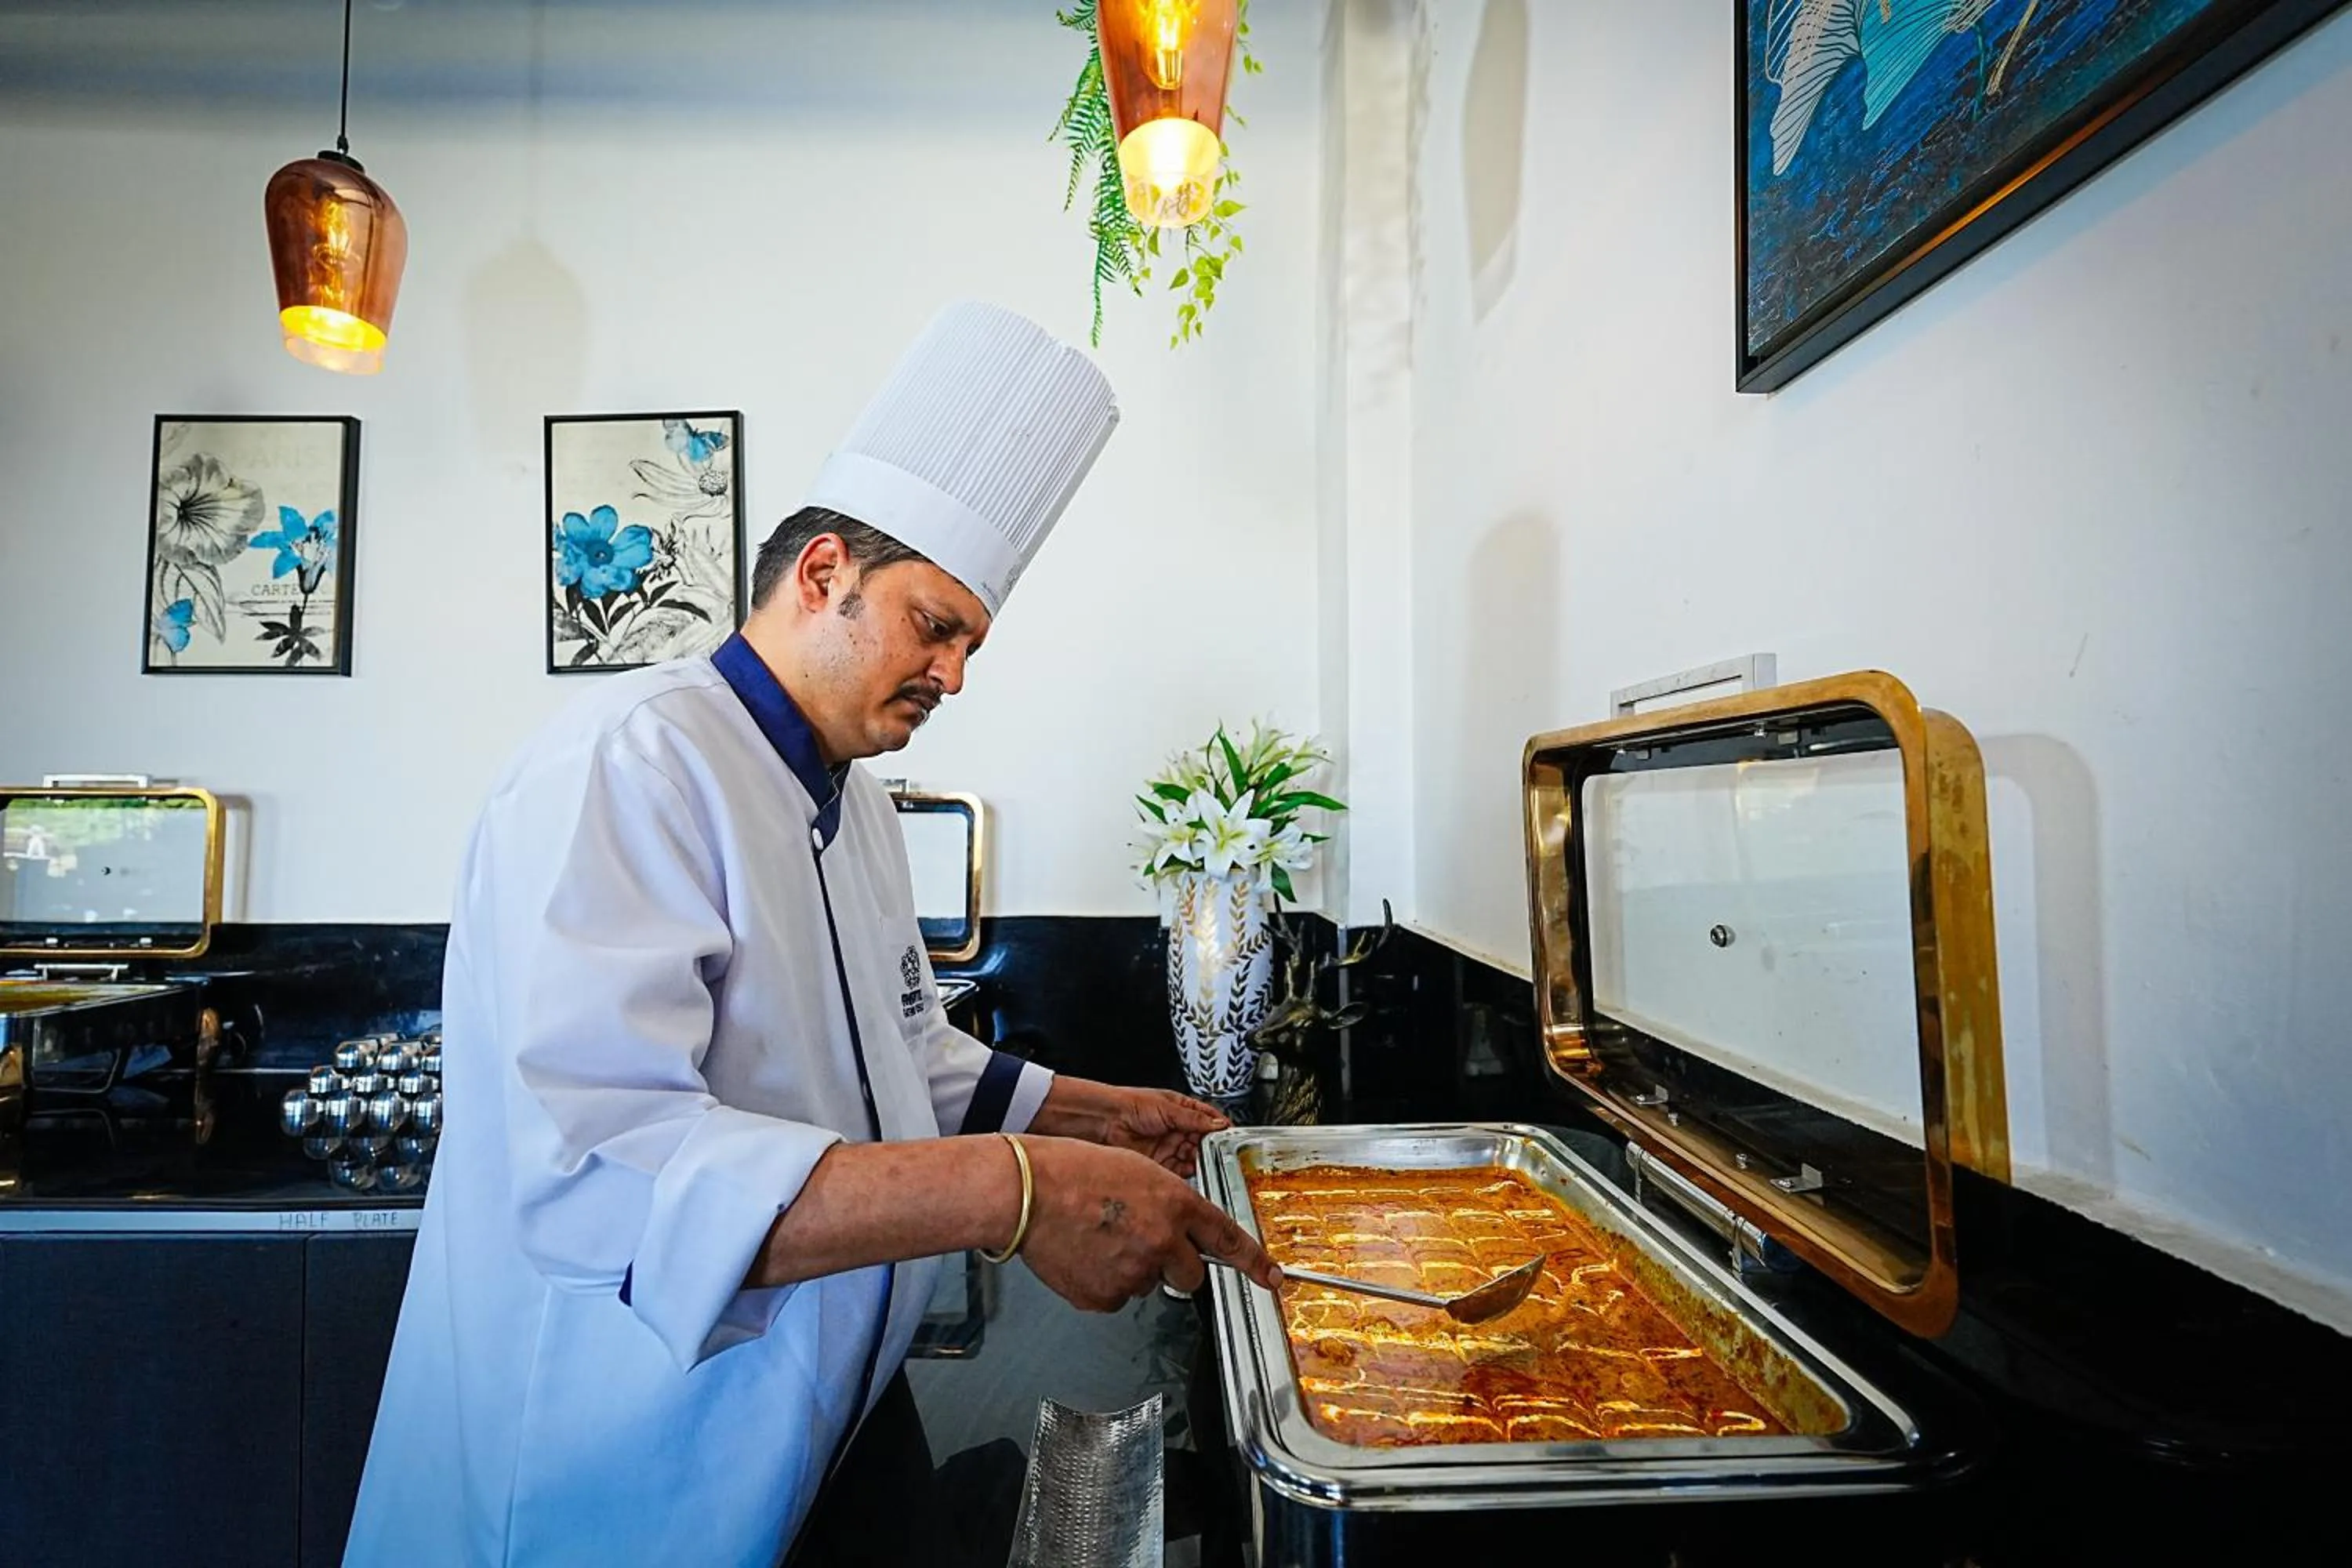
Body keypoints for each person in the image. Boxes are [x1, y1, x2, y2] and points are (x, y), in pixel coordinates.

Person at [346, 302, 1280, 1568]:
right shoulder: (631, 765)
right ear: (824, 574)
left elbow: (907, 1056)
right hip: (621, 1458)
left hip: (817, 1420)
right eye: (935, 626)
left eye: (969, 644)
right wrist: (1014, 1193)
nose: (955, 676)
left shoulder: (858, 801)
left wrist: (1103, 1116)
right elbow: (600, 1178)